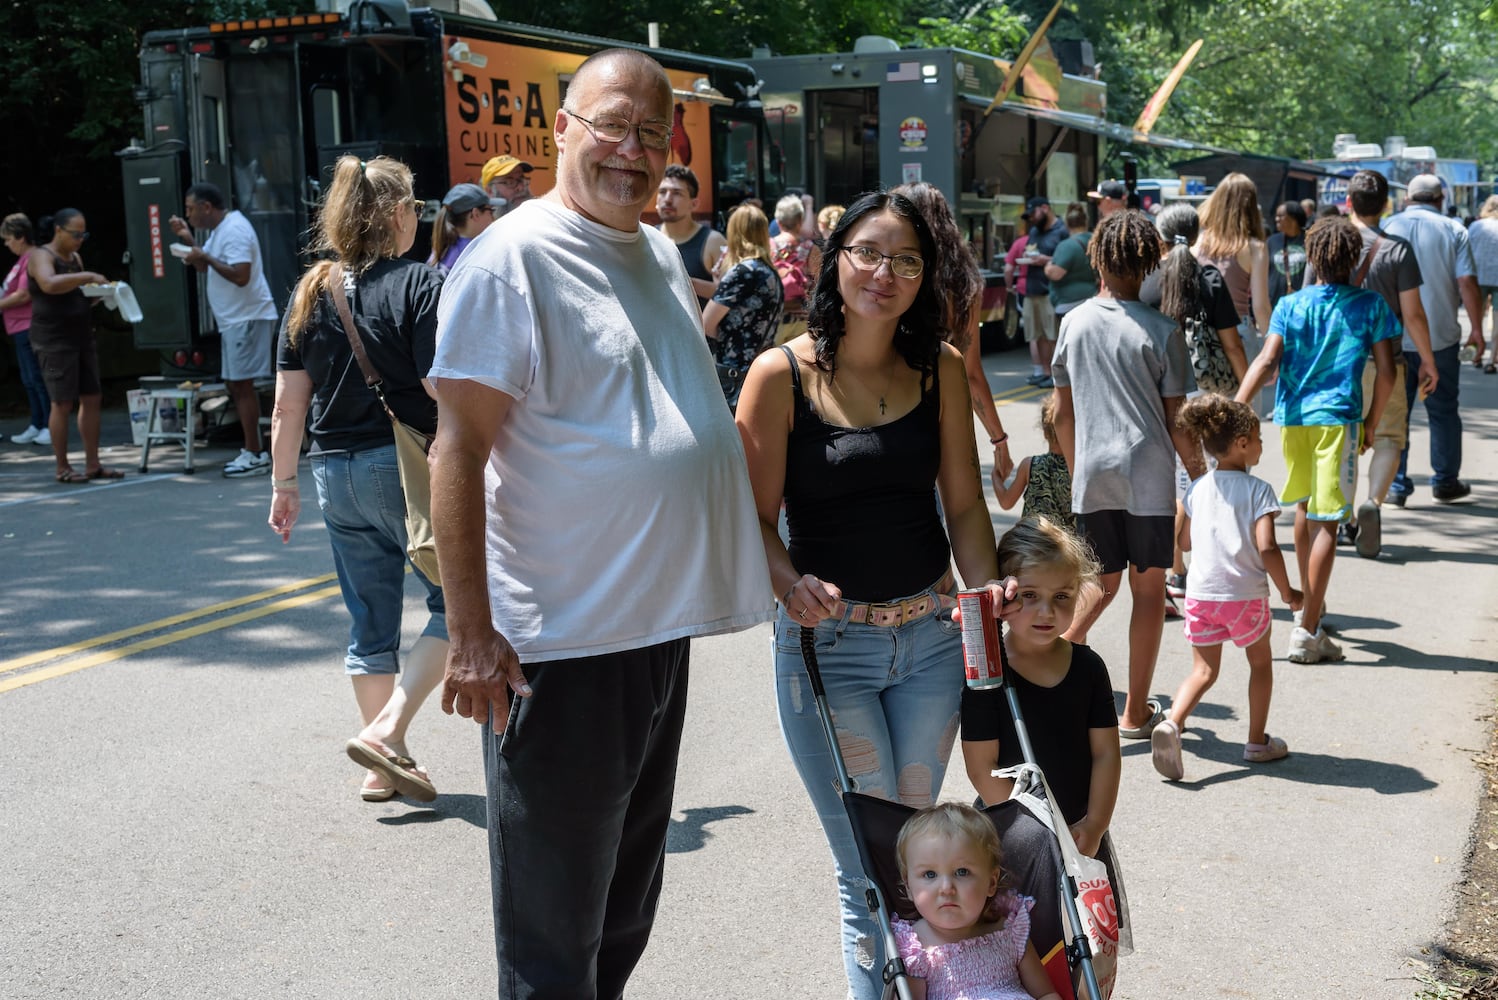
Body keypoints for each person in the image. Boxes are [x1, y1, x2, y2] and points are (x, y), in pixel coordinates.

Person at [428, 49, 769, 998]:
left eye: (653, 134)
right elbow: (456, 451)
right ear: (563, 131)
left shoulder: (656, 251)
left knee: (622, 907)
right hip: (561, 649)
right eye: (612, 125)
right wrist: (468, 636)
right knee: (552, 933)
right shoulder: (512, 260)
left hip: (653, 633)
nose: (632, 150)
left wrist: (767, 561)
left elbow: (688, 423)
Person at [735, 190, 1001, 1000]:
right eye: (868, 253)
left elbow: (962, 504)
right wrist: (789, 582)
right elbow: (749, 519)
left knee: (917, 864)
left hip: (929, 643)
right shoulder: (778, 375)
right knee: (870, 875)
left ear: (927, 278)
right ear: (836, 258)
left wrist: (990, 612)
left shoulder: (941, 369)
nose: (885, 274)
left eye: (907, 261)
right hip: (828, 653)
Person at [266, 156, 448, 803]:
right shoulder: (420, 285)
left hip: (331, 471)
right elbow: (437, 387)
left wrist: (282, 484)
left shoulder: (311, 289)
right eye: (416, 210)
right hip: (402, 467)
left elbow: (290, 403)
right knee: (457, 606)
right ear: (398, 214)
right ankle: (387, 732)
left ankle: (382, 763)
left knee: (370, 622)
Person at [1051, 210, 1204, 737]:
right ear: (1150, 263)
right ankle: (1136, 711)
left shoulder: (1073, 322)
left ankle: (1054, 665)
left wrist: (1076, 470)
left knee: (1100, 582)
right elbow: (1178, 418)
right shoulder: (1163, 331)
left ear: (1096, 258)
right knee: (1147, 589)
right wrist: (1200, 473)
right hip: (1148, 475)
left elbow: (1061, 413)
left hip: (1093, 474)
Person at [1235, 217, 1399, 663]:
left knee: (1306, 506)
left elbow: (1268, 360)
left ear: (1312, 257)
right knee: (1329, 519)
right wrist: (1370, 421)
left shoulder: (1291, 305)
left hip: (1294, 418)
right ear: (1357, 259)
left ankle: (1311, 600)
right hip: (1338, 420)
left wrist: (1239, 403)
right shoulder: (1371, 306)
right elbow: (1386, 371)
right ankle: (1307, 629)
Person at [1151, 396, 1304, 781]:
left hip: (1202, 596)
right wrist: (1288, 592)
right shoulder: (1259, 491)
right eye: (1257, 437)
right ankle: (1256, 742)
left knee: (1203, 670)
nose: (1261, 444)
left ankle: (1172, 723)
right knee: (1261, 665)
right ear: (1240, 443)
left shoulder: (1199, 488)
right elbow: (1267, 546)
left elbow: (1182, 542)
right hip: (1245, 596)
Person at [1309, 170, 1437, 558]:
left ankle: (1345, 516)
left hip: (1333, 361)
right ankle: (1374, 503)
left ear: (1348, 201)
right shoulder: (1398, 250)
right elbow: (1413, 314)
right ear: (1386, 205)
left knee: (1341, 438)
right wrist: (1429, 360)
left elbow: (1308, 301)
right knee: (1388, 438)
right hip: (1386, 360)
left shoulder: (1324, 242)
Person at [1141, 202, 1250, 612]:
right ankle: (1212, 571)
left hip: (1160, 398)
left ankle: (1175, 574)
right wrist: (1244, 392)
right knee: (1210, 485)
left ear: (1159, 237)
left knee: (1173, 487)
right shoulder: (1210, 281)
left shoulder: (1148, 282)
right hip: (1208, 399)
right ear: (1199, 234)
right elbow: (1232, 344)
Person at [895, 181, 1014, 481]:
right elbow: (971, 373)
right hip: (932, 421)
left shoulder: (887, 276)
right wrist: (999, 441)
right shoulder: (961, 286)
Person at [891, 803, 1064, 1000]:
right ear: (908, 886)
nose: (946, 887)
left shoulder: (1010, 931)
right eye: (930, 874)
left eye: (962, 872)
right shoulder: (914, 948)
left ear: (991, 882)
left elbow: (1046, 994)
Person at [1382, 173, 1484, 505]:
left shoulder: (1389, 227)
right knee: (1443, 411)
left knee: (1397, 412)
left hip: (1393, 339)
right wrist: (1478, 329)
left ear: (1408, 199)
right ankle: (1445, 481)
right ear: (1440, 199)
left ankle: (1396, 484)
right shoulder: (1453, 228)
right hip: (1439, 337)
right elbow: (1467, 282)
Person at [169, 182, 280, 478]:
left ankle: (255, 453)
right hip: (235, 319)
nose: (188, 214)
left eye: (191, 209)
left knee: (242, 385)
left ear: (207, 207)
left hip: (246, 317)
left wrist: (203, 256)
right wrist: (188, 240)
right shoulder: (220, 231)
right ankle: (253, 450)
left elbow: (241, 276)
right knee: (235, 384)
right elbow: (206, 267)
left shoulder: (234, 230)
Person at [26, 209, 117, 483]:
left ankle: (93, 463)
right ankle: (62, 466)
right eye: (75, 234)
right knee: (62, 401)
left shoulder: (75, 258)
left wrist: (97, 296)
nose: (80, 240)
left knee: (91, 398)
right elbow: (49, 284)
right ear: (58, 231)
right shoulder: (42, 255)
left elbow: (76, 292)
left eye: (83, 234)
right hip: (53, 339)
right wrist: (86, 275)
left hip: (80, 334)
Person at [1194, 173, 1272, 411]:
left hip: (1202, 337)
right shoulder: (1254, 248)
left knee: (1206, 418)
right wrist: (1272, 347)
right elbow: (1260, 306)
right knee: (1243, 417)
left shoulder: (1197, 243)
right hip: (1239, 333)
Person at [702, 202, 782, 408]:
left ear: (734, 232)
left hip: (732, 378)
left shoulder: (743, 272)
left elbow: (706, 323)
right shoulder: (769, 272)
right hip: (762, 375)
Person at [2, 213, 50, 446]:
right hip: (17, 328)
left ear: (20, 237)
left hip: (29, 325)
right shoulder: (21, 260)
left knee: (38, 377)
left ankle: (49, 426)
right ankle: (36, 423)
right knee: (29, 378)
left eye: (8, 238)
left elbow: (23, 294)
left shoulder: (32, 257)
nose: (6, 243)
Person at [994, 392, 1073, 532]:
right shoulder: (1076, 468)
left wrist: (995, 476)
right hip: (1066, 549)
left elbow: (1006, 502)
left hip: (1034, 544)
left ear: (1044, 431)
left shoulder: (1030, 465)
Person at [657, 163, 726, 307]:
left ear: (694, 204)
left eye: (677, 193)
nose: (668, 199)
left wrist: (687, 284)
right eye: (662, 192)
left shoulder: (713, 242)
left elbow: (732, 294)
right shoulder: (645, 237)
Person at [1020, 196, 1068, 388]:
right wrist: (1027, 256)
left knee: (1052, 335)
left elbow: (1065, 259)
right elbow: (1030, 250)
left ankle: (1057, 374)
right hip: (1032, 289)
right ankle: (1045, 372)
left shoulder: (1062, 231)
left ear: (1045, 208)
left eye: (1034, 213)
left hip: (1050, 290)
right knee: (1037, 334)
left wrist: (1045, 259)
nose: (1032, 218)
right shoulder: (1034, 231)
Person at [770, 193, 814, 344]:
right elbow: (820, 282)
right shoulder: (809, 247)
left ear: (778, 222)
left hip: (774, 318)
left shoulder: (768, 247)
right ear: (800, 221)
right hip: (801, 316)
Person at [1044, 201, 1098, 321]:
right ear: (1086, 221)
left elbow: (1056, 274)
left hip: (1069, 304)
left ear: (1066, 223)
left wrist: (1047, 267)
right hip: (1094, 300)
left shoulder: (1067, 246)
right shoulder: (1097, 241)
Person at [427, 183, 497, 275]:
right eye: (491, 211)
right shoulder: (476, 252)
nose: (494, 218)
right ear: (475, 214)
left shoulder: (442, 249)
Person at [1470, 195, 1498, 373]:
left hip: (1477, 277)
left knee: (1476, 319)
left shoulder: (1476, 226)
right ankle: (1491, 359)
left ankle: (1475, 355)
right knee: (1497, 322)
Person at [1267, 201, 1308, 308]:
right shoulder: (1272, 242)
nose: (1277, 219)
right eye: (1276, 216)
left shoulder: (1309, 240)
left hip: (1303, 304)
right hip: (1276, 304)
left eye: (1281, 216)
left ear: (1294, 218)